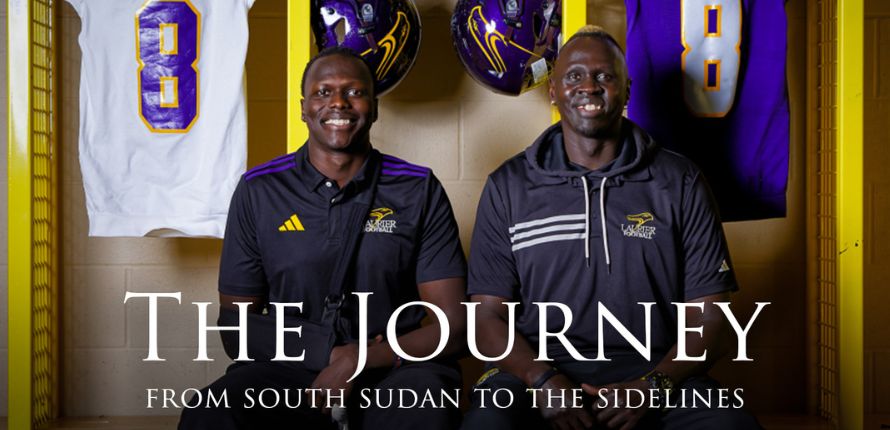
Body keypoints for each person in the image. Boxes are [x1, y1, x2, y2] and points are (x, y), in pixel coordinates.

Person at [462, 26, 762, 430]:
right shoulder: (509, 186)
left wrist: (653, 385)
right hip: (539, 379)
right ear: (553, 90)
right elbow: (485, 319)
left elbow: (712, 318)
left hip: (658, 375)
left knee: (731, 426)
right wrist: (543, 379)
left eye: (605, 76)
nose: (589, 86)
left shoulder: (680, 180)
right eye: (574, 76)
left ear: (626, 90)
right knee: (488, 424)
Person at [179, 47, 467, 430]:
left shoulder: (418, 188)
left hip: (393, 366)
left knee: (425, 411)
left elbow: (453, 325)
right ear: (303, 107)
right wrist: (332, 354)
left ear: (374, 106)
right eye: (323, 92)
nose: (338, 102)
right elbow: (236, 327)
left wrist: (363, 358)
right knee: (211, 413)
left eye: (354, 91)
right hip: (290, 368)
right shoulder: (259, 190)